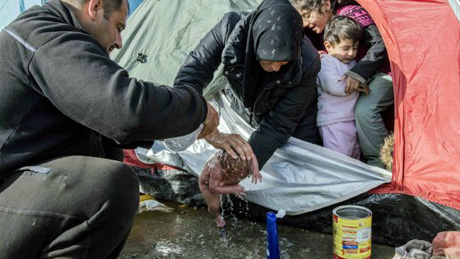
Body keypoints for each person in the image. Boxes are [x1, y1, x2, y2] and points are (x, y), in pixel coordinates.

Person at [0, 0, 219, 257]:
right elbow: (124, 109)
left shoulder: (50, 35)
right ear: (95, 7)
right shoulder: (44, 36)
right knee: (106, 187)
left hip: (14, 186)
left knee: (107, 153)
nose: (119, 42)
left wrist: (188, 131)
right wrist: (198, 109)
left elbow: (107, 125)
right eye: (118, 27)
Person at [174, 0, 322, 172]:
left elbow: (280, 123)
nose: (275, 68)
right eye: (268, 61)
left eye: (283, 62)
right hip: (243, 107)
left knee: (301, 172)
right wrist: (202, 124)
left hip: (295, 120)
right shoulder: (230, 29)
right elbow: (194, 70)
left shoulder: (308, 61)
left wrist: (243, 166)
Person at [291, 0, 394, 168]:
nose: (306, 23)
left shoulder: (351, 14)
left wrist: (358, 73)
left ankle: (382, 163)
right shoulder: (326, 31)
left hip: (385, 71)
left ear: (325, 5)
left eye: (308, 15)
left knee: (365, 110)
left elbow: (381, 42)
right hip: (362, 83)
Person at [316, 16, 362, 159]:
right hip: (333, 121)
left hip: (350, 119)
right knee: (341, 161)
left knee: (355, 158)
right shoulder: (326, 62)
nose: (351, 53)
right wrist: (357, 84)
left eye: (354, 48)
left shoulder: (353, 64)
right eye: (346, 48)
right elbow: (333, 86)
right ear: (328, 46)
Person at [199, 151, 262, 228]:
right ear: (225, 171)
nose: (240, 177)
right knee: (214, 206)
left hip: (221, 180)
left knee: (230, 181)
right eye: (237, 175)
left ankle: (227, 186)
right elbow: (213, 188)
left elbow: (251, 154)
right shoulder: (217, 170)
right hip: (207, 184)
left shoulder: (241, 153)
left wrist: (255, 168)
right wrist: (232, 188)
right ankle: (216, 217)